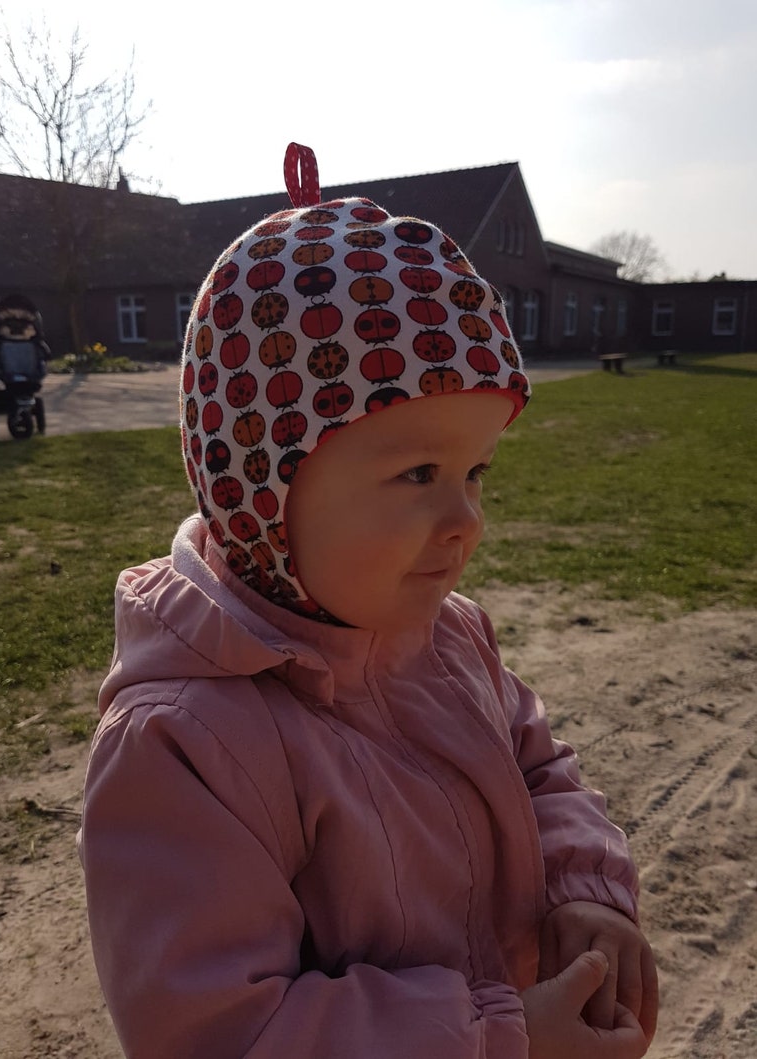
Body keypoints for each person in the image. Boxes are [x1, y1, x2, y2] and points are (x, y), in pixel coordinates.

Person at [80, 144, 658, 1059]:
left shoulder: (449, 638)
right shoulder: (187, 740)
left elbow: (540, 767)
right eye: (418, 472)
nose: (465, 517)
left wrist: (581, 886)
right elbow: (221, 1030)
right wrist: (496, 1041)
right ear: (261, 491)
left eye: (476, 471)